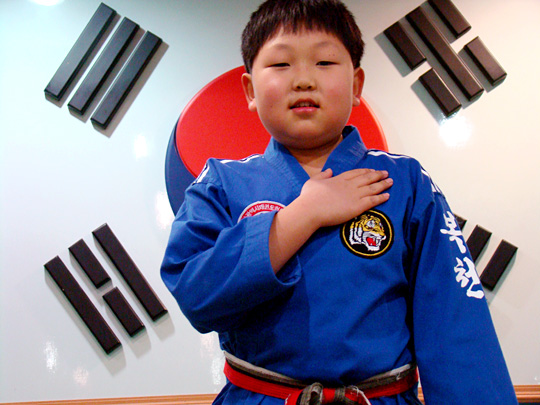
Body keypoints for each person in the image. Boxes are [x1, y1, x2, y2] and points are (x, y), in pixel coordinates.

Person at [161, 0, 518, 403]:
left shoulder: (405, 183)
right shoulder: (221, 184)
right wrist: (302, 215)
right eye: (281, 64)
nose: (303, 80)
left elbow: (457, 328)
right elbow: (196, 295)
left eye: (325, 63)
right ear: (249, 90)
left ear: (357, 85)